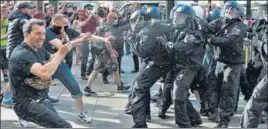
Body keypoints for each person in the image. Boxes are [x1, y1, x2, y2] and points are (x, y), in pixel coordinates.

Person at [9, 19, 72, 128]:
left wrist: (66, 45)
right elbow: (44, 73)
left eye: (43, 33)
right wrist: (61, 54)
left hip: (41, 99)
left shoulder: (38, 49)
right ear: (26, 34)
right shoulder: (22, 54)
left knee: (58, 124)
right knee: (64, 126)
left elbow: (53, 58)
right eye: (37, 33)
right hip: (25, 104)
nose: (42, 37)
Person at [203, 1, 247, 127]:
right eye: (227, 9)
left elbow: (229, 41)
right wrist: (207, 33)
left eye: (232, 10)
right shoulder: (220, 22)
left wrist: (211, 39)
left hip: (233, 64)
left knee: (228, 92)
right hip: (220, 62)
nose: (229, 12)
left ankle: (224, 121)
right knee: (214, 88)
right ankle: (215, 112)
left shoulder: (240, 26)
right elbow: (206, 28)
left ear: (238, 13)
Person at [129, 8, 174, 128]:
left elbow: (143, 52)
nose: (135, 24)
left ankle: (140, 122)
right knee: (141, 85)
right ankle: (144, 115)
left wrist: (132, 41)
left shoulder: (147, 31)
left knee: (139, 87)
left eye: (136, 21)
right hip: (159, 61)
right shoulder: (153, 26)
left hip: (158, 63)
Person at [84, 12, 130, 95]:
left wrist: (113, 50)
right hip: (106, 53)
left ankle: (88, 87)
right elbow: (107, 41)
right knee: (113, 68)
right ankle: (120, 87)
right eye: (115, 18)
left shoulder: (103, 25)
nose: (117, 20)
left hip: (101, 52)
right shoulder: (107, 27)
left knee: (100, 70)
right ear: (110, 18)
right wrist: (112, 52)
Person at [241, 3, 267, 128]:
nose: (266, 12)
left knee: (254, 103)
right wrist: (248, 33)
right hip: (258, 61)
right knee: (254, 90)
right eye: (265, 9)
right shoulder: (260, 22)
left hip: (265, 65)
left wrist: (257, 42)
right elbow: (248, 31)